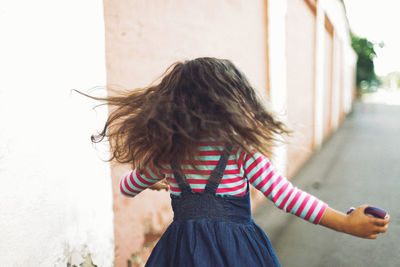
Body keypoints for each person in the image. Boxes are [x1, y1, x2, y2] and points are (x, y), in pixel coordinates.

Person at [76, 57, 390, 266]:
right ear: (231, 101)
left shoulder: (167, 154)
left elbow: (128, 187)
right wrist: (345, 223)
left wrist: (161, 179)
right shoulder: (240, 150)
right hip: (235, 251)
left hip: (181, 251)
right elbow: (285, 196)